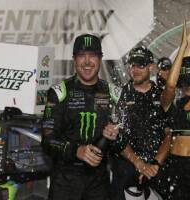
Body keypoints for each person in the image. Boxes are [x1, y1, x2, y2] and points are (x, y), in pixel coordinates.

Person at [41, 34, 149, 200]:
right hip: (64, 181)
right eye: (81, 56)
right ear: (74, 59)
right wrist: (77, 150)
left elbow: (121, 143)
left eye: (92, 55)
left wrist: (115, 137)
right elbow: (48, 141)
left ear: (100, 59)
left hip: (99, 183)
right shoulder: (59, 92)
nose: (87, 62)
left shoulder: (113, 94)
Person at [156, 22, 190, 200]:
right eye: (185, 79)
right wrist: (181, 49)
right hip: (177, 167)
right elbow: (170, 85)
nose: (189, 84)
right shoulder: (173, 104)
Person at [109, 46, 169, 200]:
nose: (135, 70)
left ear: (151, 67)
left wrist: (154, 165)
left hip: (157, 170)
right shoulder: (120, 96)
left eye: (140, 65)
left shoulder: (162, 96)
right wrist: (140, 164)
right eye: (132, 65)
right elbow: (116, 136)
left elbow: (170, 135)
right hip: (126, 170)